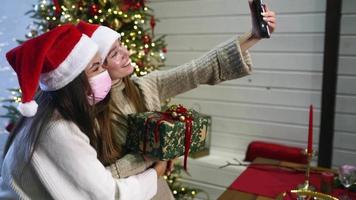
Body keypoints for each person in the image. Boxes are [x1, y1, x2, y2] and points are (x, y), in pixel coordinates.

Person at [76, 1, 276, 199]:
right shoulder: (85, 114)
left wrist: (253, 36)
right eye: (114, 54)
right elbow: (97, 183)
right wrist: (151, 160)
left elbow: (197, 70)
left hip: (157, 191)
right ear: (98, 65)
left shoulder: (145, 86)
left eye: (121, 46)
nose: (126, 53)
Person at [0, 24, 167, 199]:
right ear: (73, 82)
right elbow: (110, 196)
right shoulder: (58, 130)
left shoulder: (49, 112)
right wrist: (156, 172)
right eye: (96, 67)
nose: (104, 71)